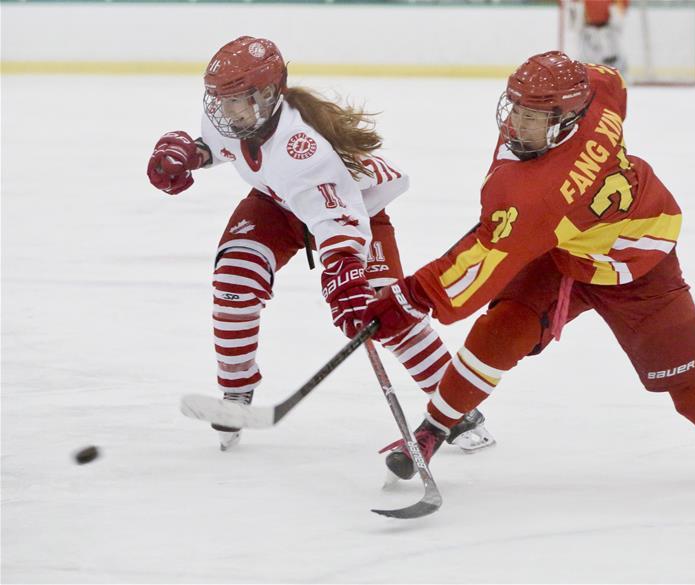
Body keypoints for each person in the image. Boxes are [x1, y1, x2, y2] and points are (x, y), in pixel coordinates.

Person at [365, 51, 695, 483]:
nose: (516, 123)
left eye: (532, 115)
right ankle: (432, 432)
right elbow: (608, 78)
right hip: (566, 251)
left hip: (638, 267)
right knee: (502, 328)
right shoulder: (598, 95)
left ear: (565, 120)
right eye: (513, 106)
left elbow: (481, 261)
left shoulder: (534, 196)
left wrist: (409, 299)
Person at [146, 36, 494, 452]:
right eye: (222, 101)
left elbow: (336, 219)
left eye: (237, 100)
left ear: (269, 94)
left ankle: (457, 409)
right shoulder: (239, 118)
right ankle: (236, 394)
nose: (227, 111)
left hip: (355, 213)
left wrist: (345, 271)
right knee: (234, 281)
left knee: (385, 309)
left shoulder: (303, 148)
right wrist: (192, 154)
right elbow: (223, 146)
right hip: (277, 204)